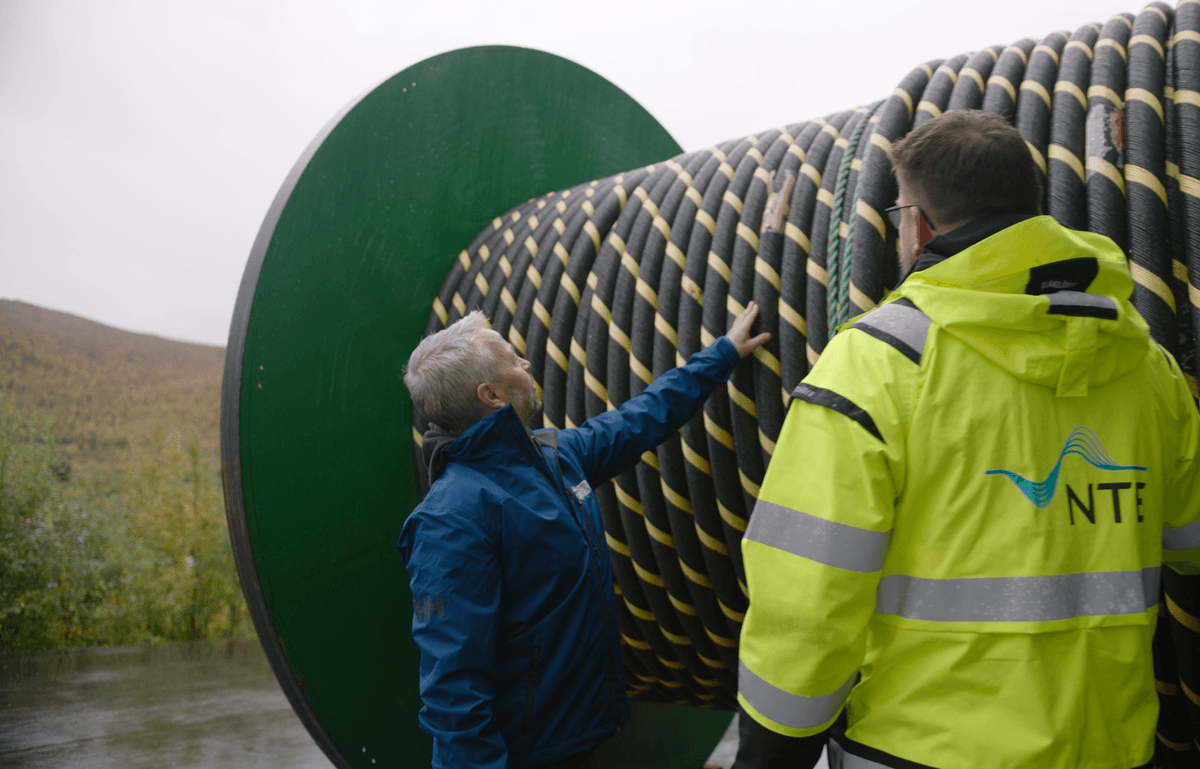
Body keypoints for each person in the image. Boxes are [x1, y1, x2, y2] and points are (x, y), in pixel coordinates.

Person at [733, 110, 1200, 769]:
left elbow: (809, 597)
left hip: (921, 750)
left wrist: (768, 754)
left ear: (918, 224)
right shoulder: (1146, 366)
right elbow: (1189, 539)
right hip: (1109, 746)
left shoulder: (881, 362)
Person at [398, 302, 770, 769]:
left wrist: (722, 355)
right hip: (527, 756)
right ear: (491, 394)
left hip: (579, 737)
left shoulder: (553, 458)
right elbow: (452, 688)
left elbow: (641, 419)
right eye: (514, 361)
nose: (528, 365)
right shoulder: (451, 520)